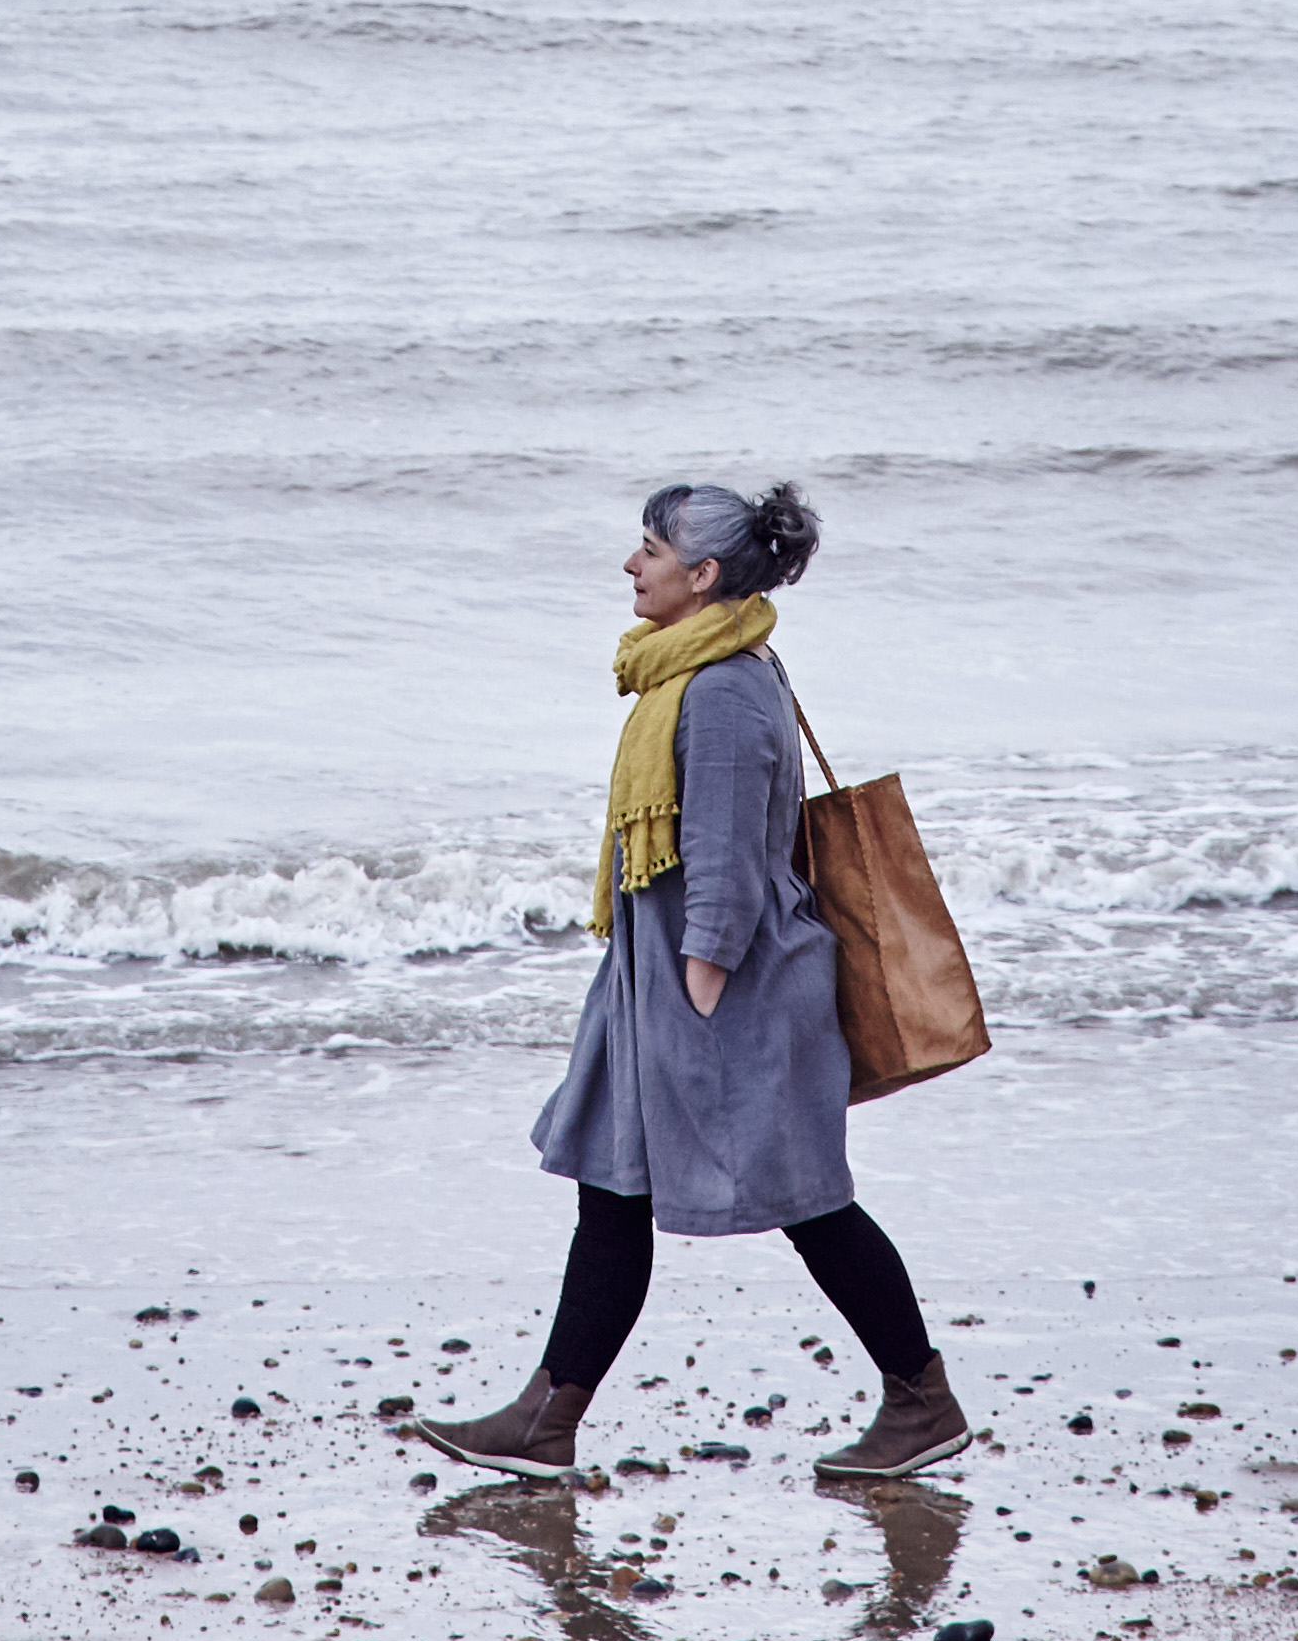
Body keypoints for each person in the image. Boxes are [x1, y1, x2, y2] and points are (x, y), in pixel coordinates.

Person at [411, 478, 968, 1488]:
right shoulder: (701, 668)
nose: (632, 565)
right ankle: (546, 1420)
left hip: (727, 994)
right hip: (658, 986)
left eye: (651, 550)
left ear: (701, 576)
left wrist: (700, 987)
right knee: (612, 1188)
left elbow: (719, 860)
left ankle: (922, 1402)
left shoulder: (718, 690)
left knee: (811, 1202)